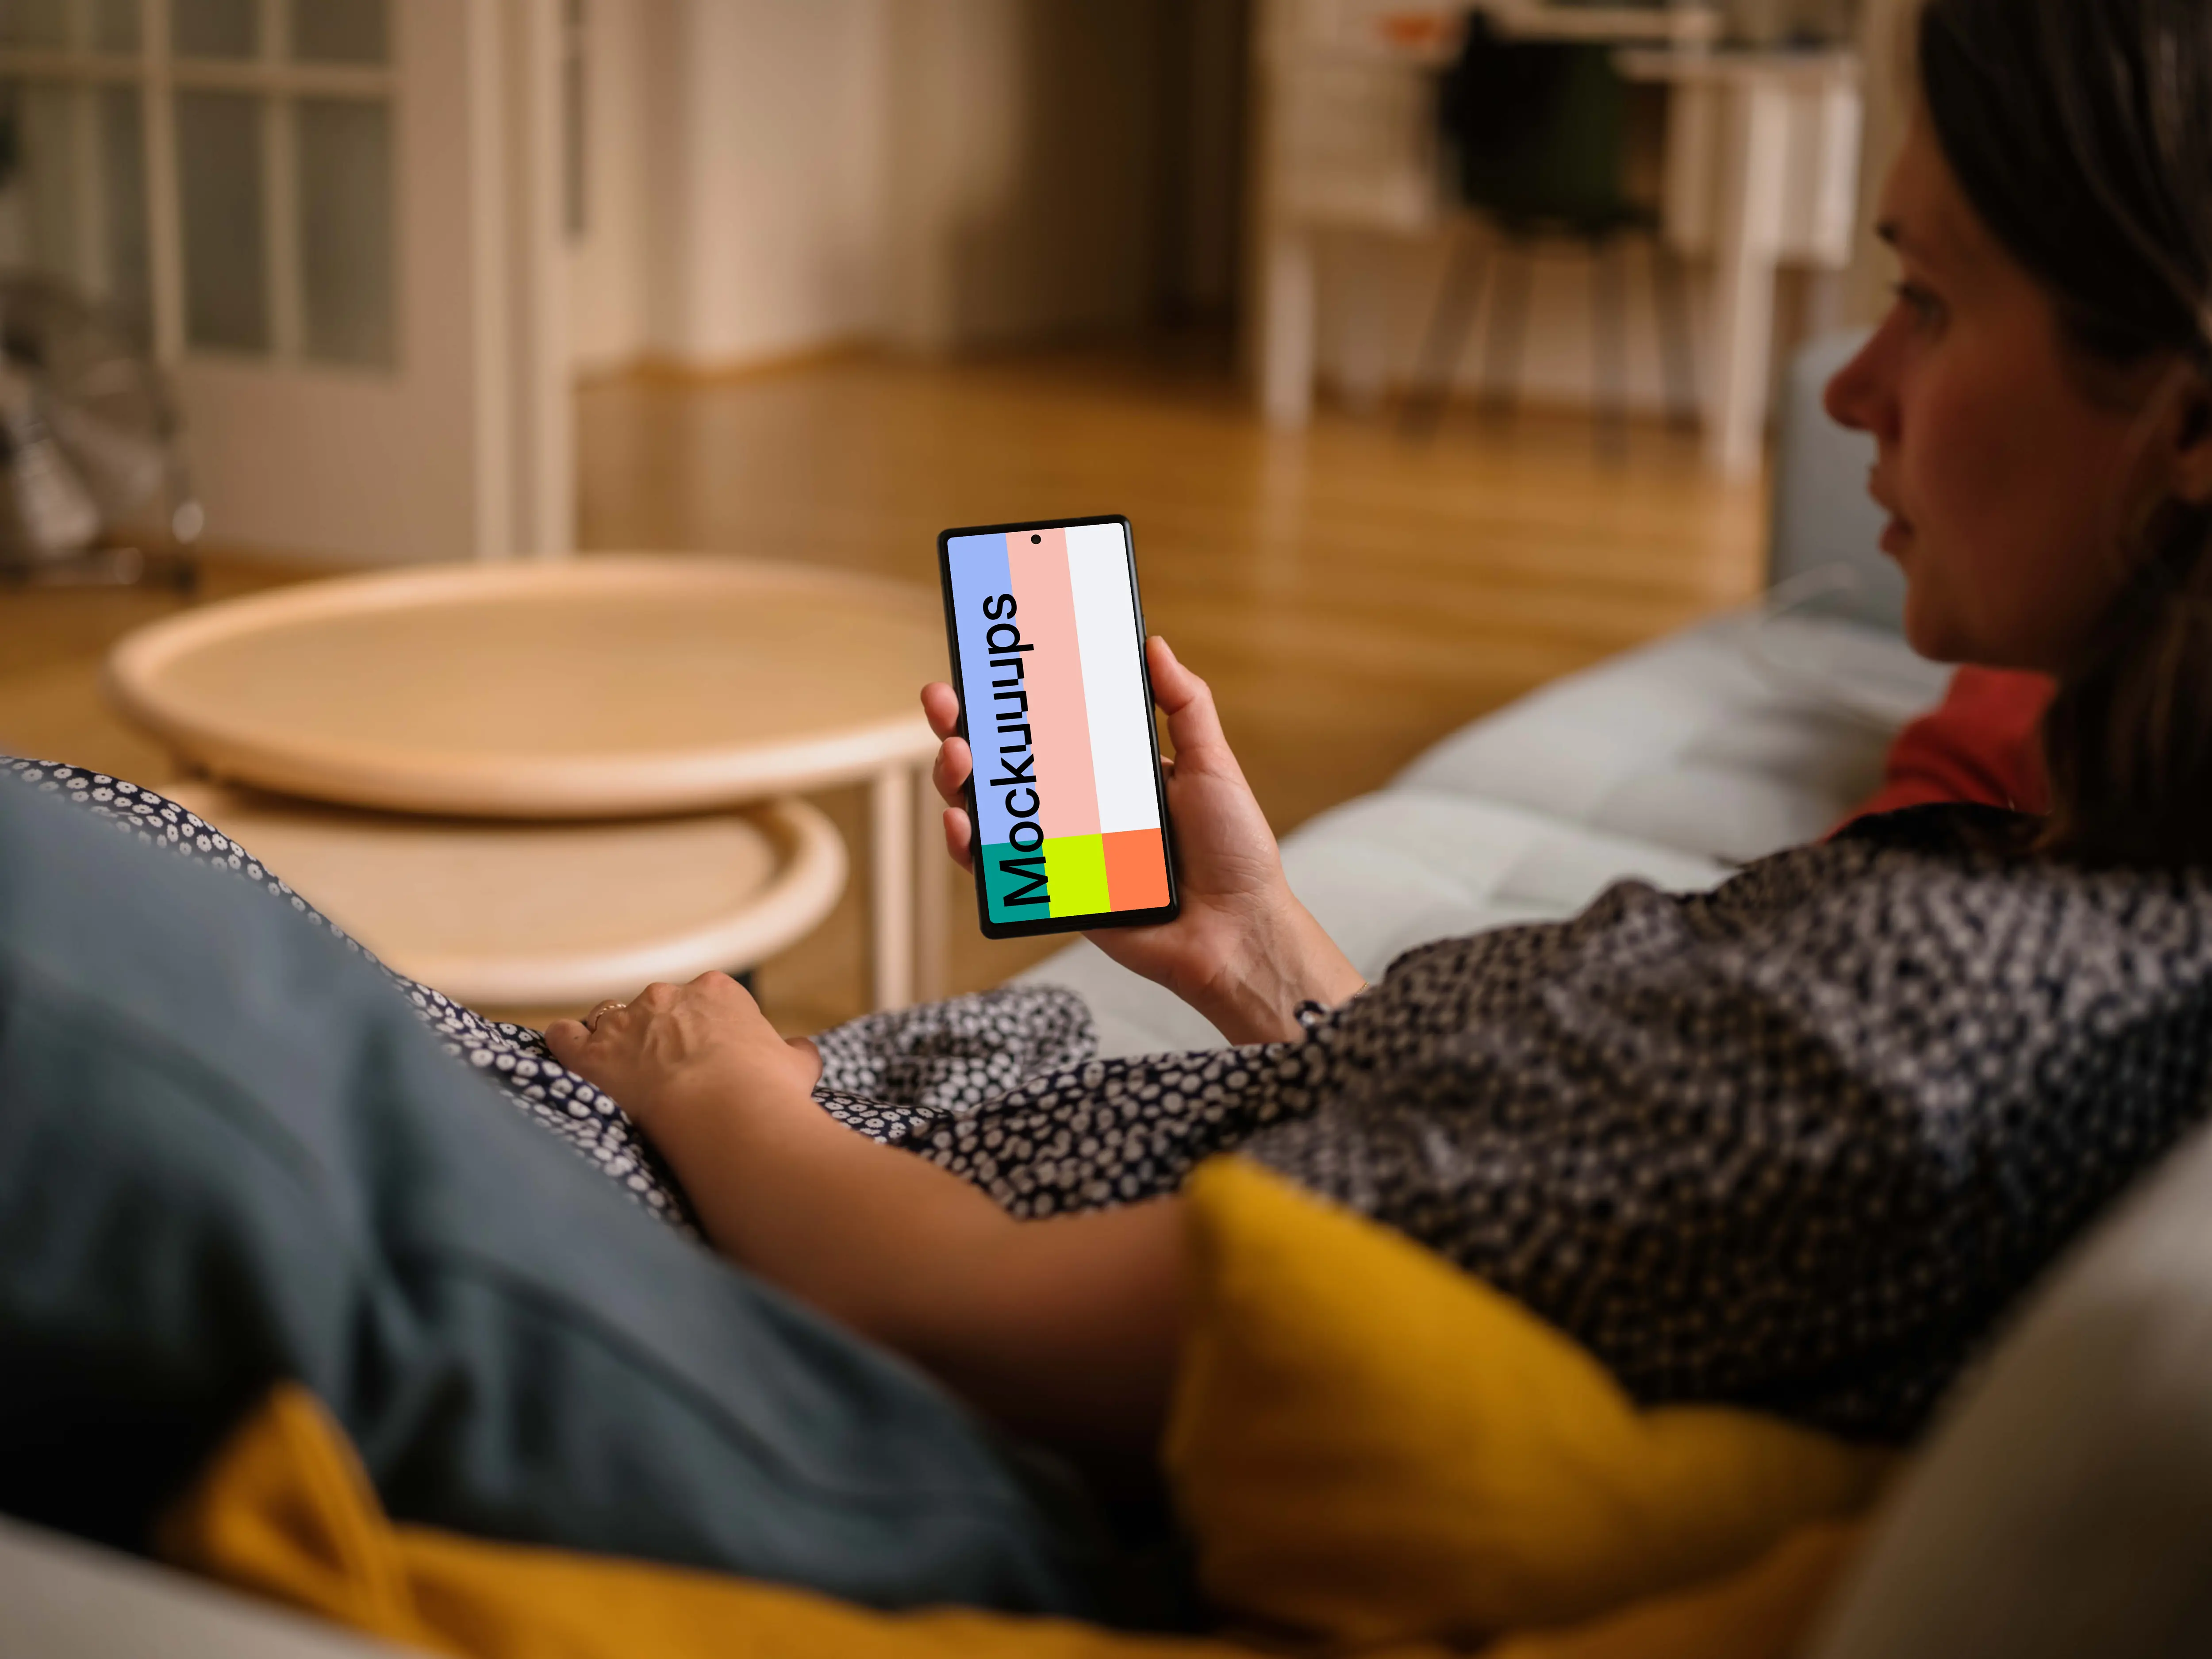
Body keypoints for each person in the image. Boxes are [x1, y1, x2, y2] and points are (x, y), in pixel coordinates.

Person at [545, 0, 2212, 1470]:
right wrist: (1252, 944)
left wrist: (716, 1079)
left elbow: (983, 1319)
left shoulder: (1926, 1031)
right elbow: (1523, 1199)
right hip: (922, 1152)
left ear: (2189, 423)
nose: (1851, 387)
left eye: (1925, 298)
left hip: (788, 1273)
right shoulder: (2096, 906)